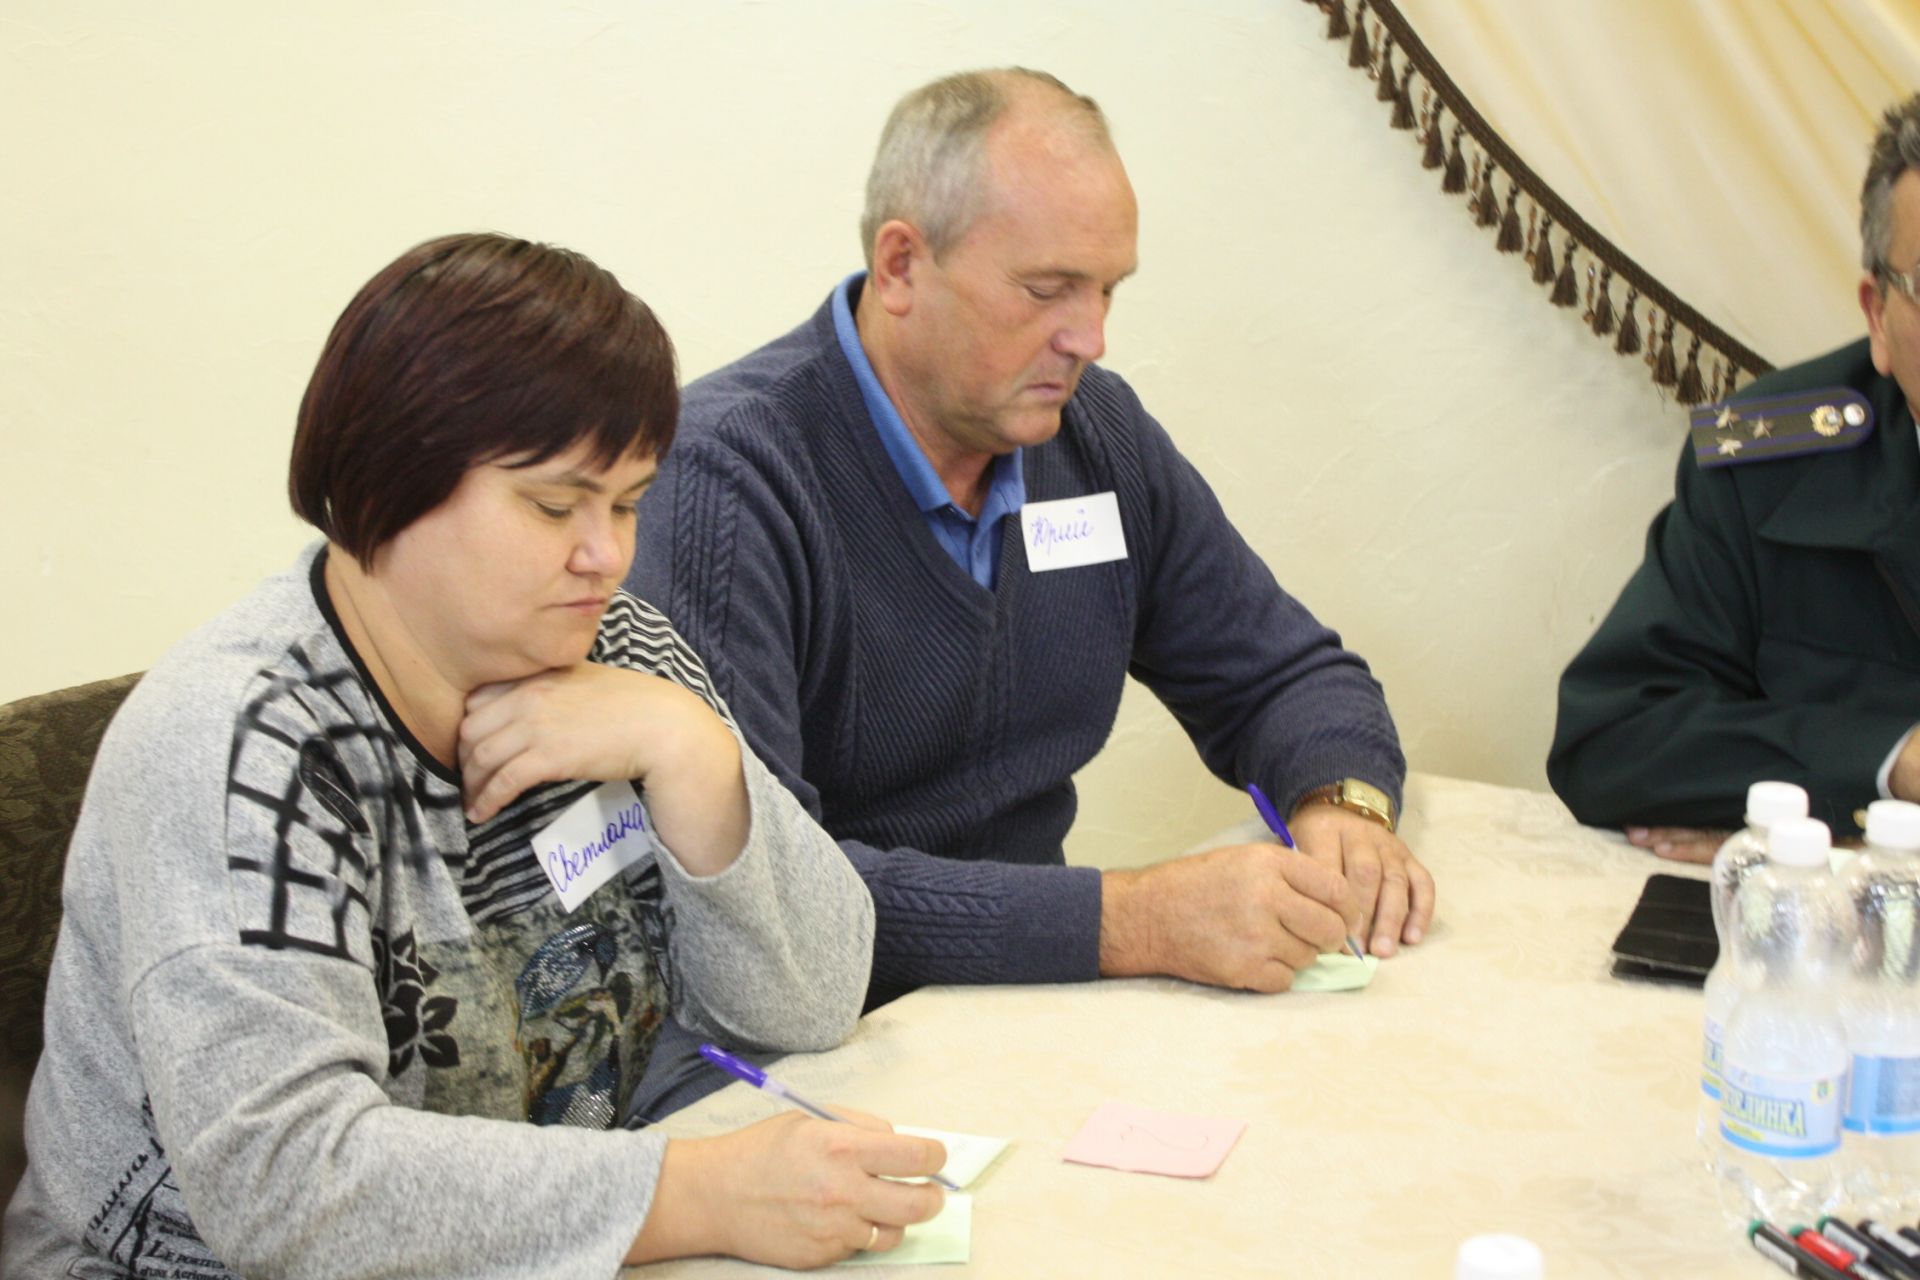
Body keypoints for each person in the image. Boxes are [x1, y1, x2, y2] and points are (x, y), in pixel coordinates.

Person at [2, 233, 947, 1279]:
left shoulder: (619, 652)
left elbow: (809, 1003)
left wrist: (695, 753)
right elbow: (286, 1184)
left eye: (627, 503)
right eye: (554, 506)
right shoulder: (244, 736)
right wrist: (694, 1190)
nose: (607, 554)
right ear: (387, 482)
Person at [625, 67, 1435, 1104]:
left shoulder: (1094, 437)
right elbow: (777, 907)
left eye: (1109, 290)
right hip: (800, 1066)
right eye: (1048, 290)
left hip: (1030, 1021)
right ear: (903, 262)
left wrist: (1344, 803)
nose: (1090, 338)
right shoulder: (729, 482)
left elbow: (1285, 673)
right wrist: (1130, 918)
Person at [1549, 93, 1920, 862]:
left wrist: (1809, 809)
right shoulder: (1771, 456)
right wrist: (1885, 766)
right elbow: (1613, 741)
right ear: (1879, 316)